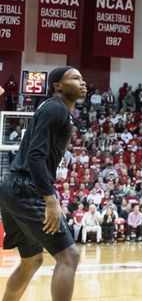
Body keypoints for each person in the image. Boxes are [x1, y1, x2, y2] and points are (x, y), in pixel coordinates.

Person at [0, 66, 83, 301]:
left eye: (82, 78)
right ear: (58, 86)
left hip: (13, 187)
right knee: (69, 257)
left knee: (31, 261)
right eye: (75, 78)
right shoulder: (56, 108)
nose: (82, 82)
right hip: (26, 188)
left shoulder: (54, 109)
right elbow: (36, 156)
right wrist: (50, 199)